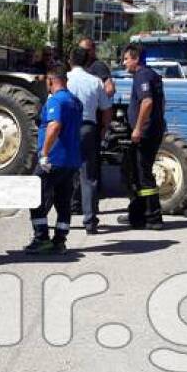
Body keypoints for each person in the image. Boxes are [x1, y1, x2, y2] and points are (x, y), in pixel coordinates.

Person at [25, 68, 83, 254]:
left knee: (34, 196)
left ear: (51, 80)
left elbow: (55, 125)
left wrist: (44, 153)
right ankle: (60, 241)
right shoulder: (76, 101)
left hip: (54, 160)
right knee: (63, 203)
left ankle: (41, 238)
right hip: (71, 161)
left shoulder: (57, 101)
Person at [66, 46, 113, 234]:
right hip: (88, 128)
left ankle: (57, 218)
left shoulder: (64, 80)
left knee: (62, 173)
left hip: (66, 129)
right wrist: (103, 130)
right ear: (87, 62)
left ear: (70, 60)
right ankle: (90, 221)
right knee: (89, 176)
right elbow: (106, 109)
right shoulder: (95, 82)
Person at [121, 43, 166, 230]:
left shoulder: (143, 76)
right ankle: (138, 213)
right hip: (152, 130)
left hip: (146, 133)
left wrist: (138, 128)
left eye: (126, 59)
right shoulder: (150, 75)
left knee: (143, 175)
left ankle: (152, 217)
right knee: (137, 173)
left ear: (136, 59)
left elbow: (147, 102)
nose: (124, 63)